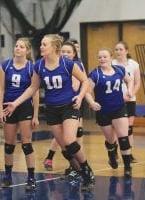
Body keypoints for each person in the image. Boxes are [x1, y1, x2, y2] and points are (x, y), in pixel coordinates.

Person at [4, 34, 95, 191]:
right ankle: (78, 170)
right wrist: (15, 103)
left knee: (70, 140)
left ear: (54, 47)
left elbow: (85, 81)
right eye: (40, 44)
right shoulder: (39, 66)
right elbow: (33, 88)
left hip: (69, 106)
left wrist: (80, 97)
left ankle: (87, 172)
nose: (41, 47)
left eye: (44, 44)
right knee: (66, 150)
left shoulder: (66, 64)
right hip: (52, 110)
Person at [0, 38, 39, 191]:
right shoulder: (6, 65)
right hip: (8, 107)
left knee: (26, 144)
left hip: (25, 108)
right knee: (9, 145)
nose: (18, 48)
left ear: (27, 51)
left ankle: (31, 177)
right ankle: (7, 176)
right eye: (16, 46)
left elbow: (34, 92)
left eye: (22, 47)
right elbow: (1, 88)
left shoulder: (31, 67)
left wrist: (35, 115)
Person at [85, 48, 134, 177]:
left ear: (110, 58)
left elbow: (129, 80)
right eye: (100, 57)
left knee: (123, 138)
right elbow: (87, 91)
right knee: (111, 140)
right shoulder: (95, 74)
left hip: (119, 108)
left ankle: (128, 168)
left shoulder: (119, 70)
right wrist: (91, 102)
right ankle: (112, 154)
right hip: (103, 112)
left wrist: (129, 90)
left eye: (105, 57)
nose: (102, 59)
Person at [43, 40, 86, 175]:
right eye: (64, 52)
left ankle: (81, 167)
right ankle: (72, 165)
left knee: (73, 138)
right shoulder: (48, 64)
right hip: (56, 105)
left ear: (75, 54)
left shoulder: (75, 65)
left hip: (73, 102)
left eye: (69, 52)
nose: (66, 54)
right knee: (64, 139)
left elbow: (78, 85)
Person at [112, 41, 141, 163]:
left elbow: (137, 83)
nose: (118, 52)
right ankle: (113, 150)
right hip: (115, 100)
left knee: (129, 128)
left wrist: (131, 94)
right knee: (115, 128)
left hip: (129, 99)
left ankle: (129, 153)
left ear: (126, 51)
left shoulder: (134, 65)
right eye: (116, 49)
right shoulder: (111, 63)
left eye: (121, 49)